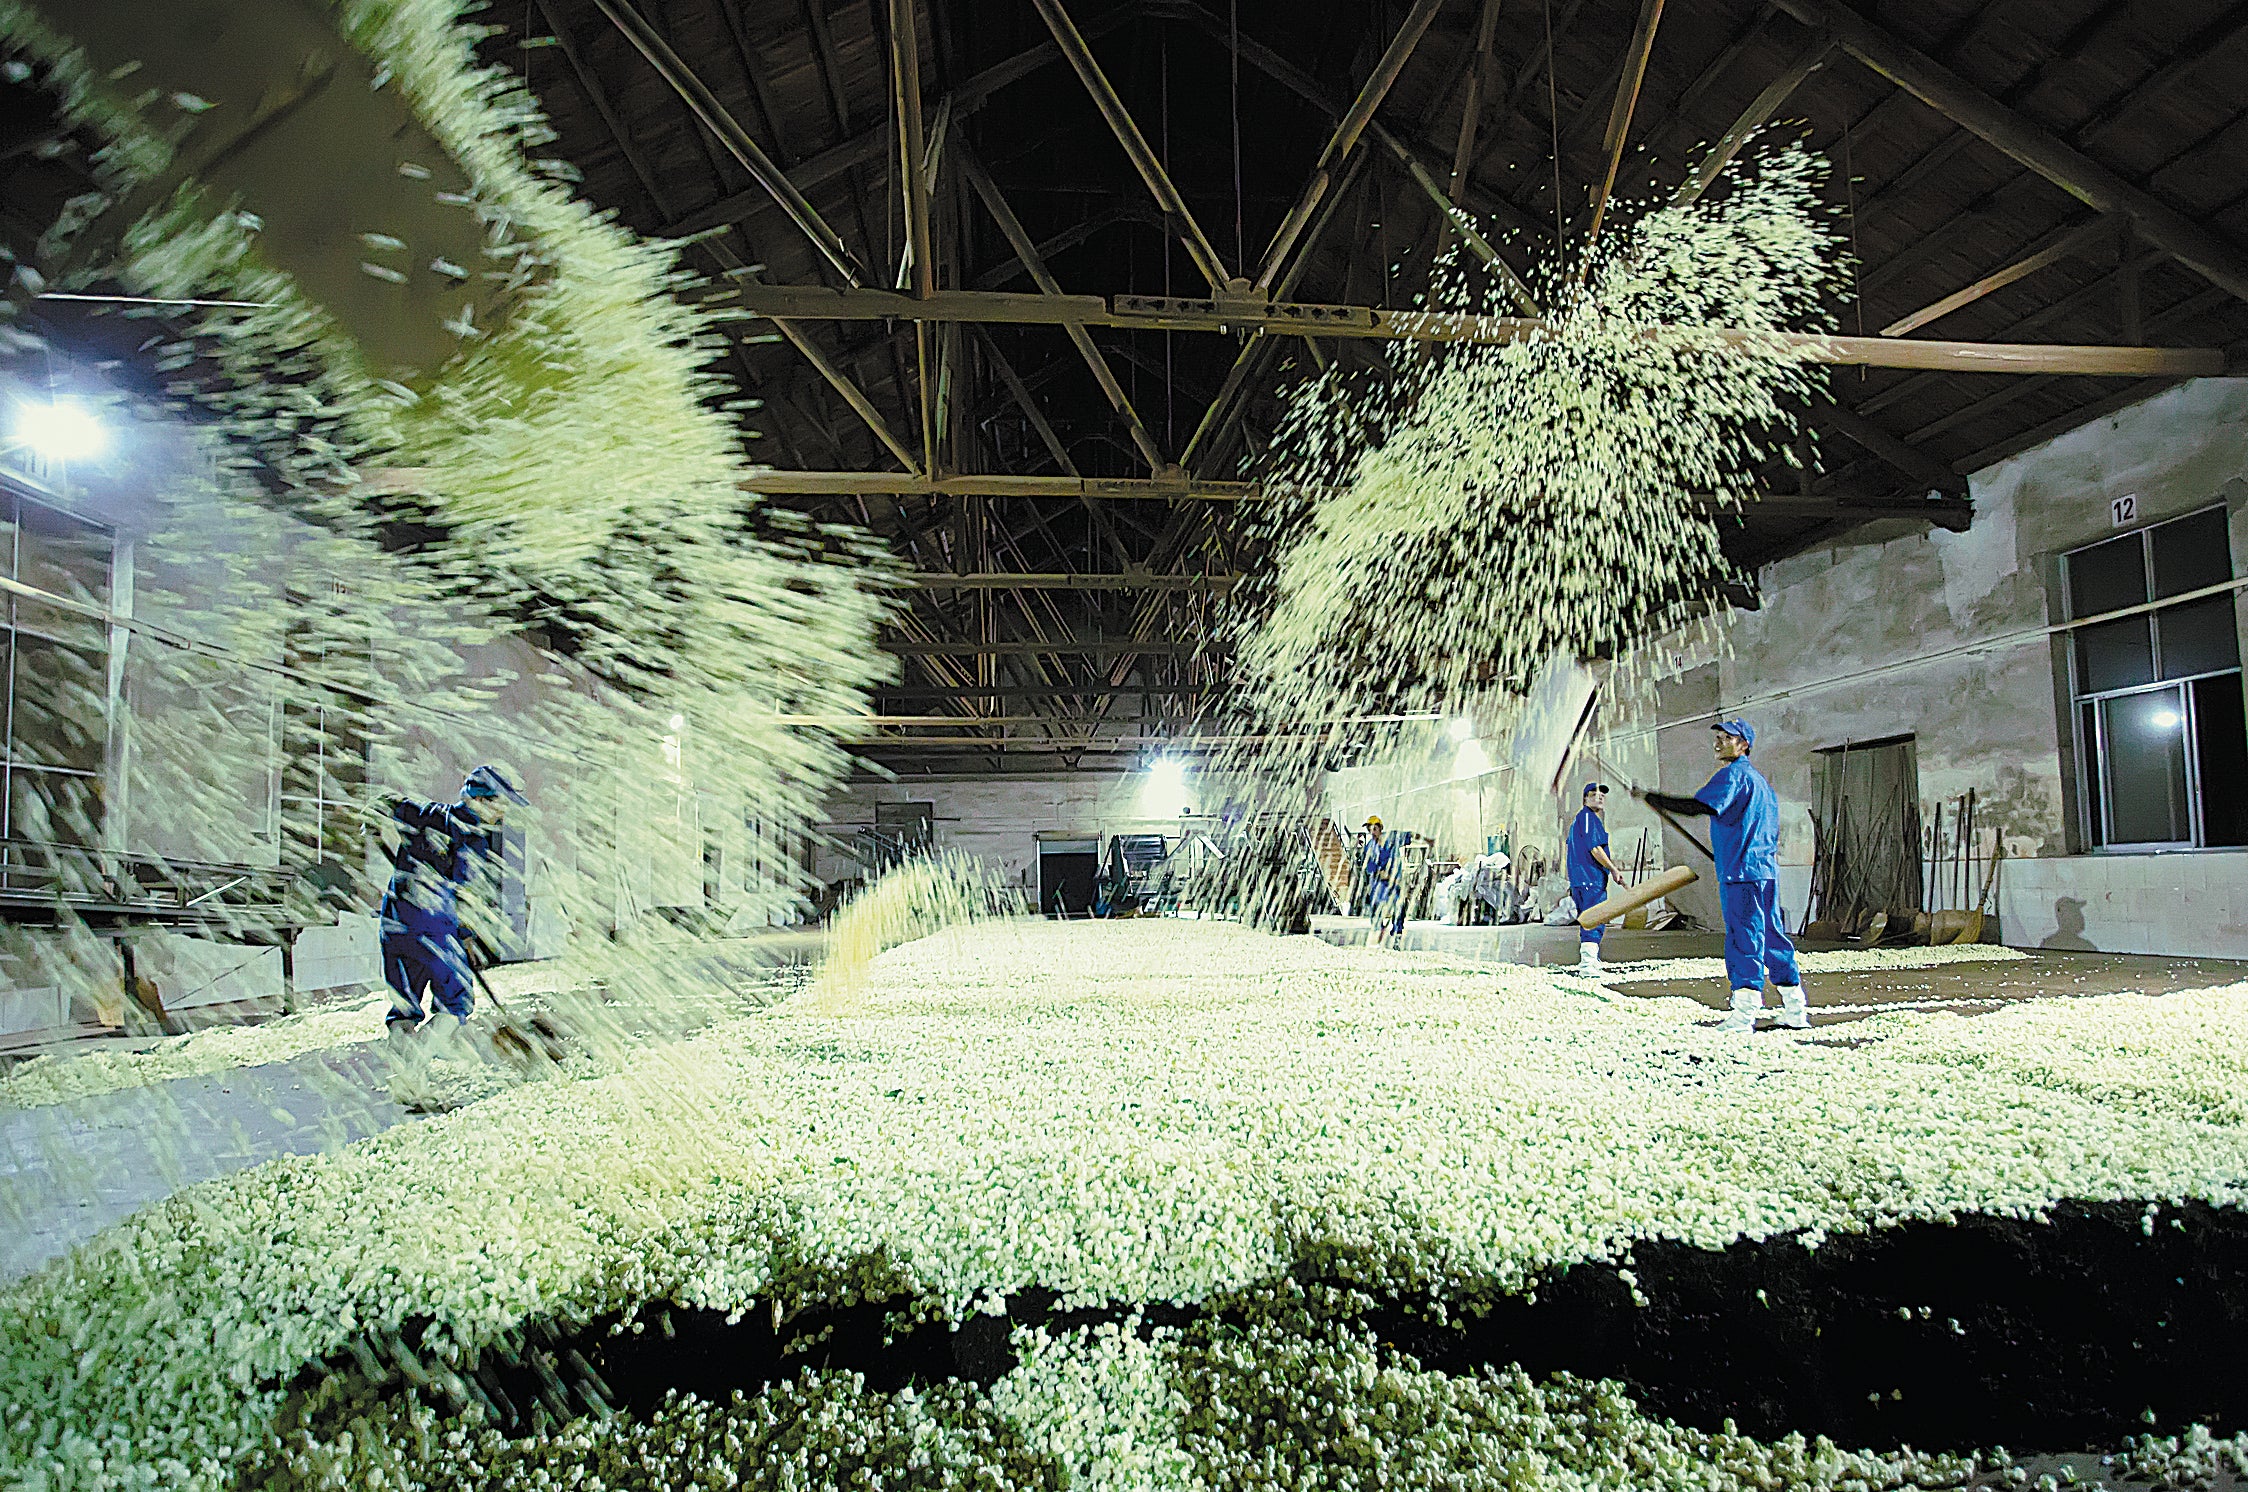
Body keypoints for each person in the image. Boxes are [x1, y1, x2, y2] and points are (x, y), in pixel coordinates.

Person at [1637, 720, 1806, 1032]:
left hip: (1741, 872)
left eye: (1726, 738)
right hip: (1763, 870)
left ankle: (1744, 1015)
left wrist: (1654, 798)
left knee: (1744, 939)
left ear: (1743, 745)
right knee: (1771, 935)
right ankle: (1795, 1007)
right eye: (1717, 737)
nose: (1718, 743)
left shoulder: (1733, 775)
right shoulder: (1760, 782)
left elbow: (1698, 807)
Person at [378, 764, 526, 1039]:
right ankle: (415, 1067)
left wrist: (371, 826)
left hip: (394, 920)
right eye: (501, 804)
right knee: (455, 1004)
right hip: (434, 924)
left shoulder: (426, 813)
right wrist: (467, 938)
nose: (504, 812)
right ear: (479, 799)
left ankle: (398, 1072)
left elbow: (387, 802)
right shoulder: (472, 838)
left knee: (404, 1008)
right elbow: (466, 896)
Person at [1565, 782, 1628, 975]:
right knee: (1595, 918)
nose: (1599, 797)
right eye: (1593, 794)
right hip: (1590, 878)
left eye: (1602, 794)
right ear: (1585, 799)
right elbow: (1595, 848)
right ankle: (1588, 965)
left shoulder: (1579, 821)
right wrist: (1614, 869)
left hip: (1581, 879)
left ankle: (1591, 960)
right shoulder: (1587, 818)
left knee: (1589, 918)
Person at [1361, 815, 1405, 949]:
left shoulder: (1392, 840)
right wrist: (1381, 874)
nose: (1372, 832)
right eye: (1370, 829)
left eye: (1374, 829)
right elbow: (1370, 868)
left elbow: (1409, 836)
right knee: (1377, 909)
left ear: (1380, 829)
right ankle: (1378, 937)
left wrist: (1428, 840)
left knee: (1398, 909)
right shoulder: (1370, 847)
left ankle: (1397, 935)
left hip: (1395, 883)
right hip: (1379, 885)